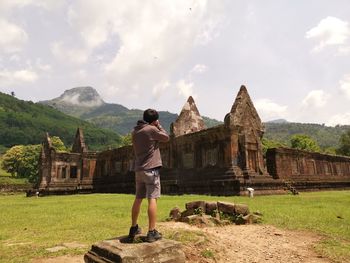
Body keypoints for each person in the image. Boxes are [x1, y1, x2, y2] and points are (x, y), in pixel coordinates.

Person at [128, 108, 170, 242]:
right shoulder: (151, 130)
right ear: (154, 120)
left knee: (138, 198)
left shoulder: (135, 131)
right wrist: (159, 125)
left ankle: (133, 227)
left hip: (139, 170)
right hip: (151, 169)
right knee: (152, 198)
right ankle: (152, 231)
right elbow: (166, 137)